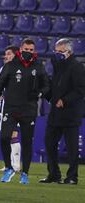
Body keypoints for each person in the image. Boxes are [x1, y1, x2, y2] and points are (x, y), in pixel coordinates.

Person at [0, 38, 49, 184]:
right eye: (26, 49)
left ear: (35, 51)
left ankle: (24, 173)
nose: (28, 52)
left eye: (31, 50)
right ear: (21, 50)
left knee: (27, 142)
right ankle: (9, 168)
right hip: (11, 108)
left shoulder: (38, 67)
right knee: (4, 138)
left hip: (29, 110)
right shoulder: (11, 66)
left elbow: (46, 86)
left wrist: (39, 94)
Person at [39, 38, 85, 185]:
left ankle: (72, 177)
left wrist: (64, 100)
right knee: (49, 142)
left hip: (70, 113)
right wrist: (47, 94)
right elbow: (55, 85)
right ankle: (54, 174)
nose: (57, 54)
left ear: (69, 52)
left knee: (71, 147)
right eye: (56, 51)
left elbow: (80, 90)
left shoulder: (77, 67)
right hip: (56, 113)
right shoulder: (58, 65)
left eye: (60, 52)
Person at [0, 45, 21, 173]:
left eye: (9, 54)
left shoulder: (21, 69)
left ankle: (15, 165)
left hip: (16, 106)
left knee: (13, 134)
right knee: (6, 136)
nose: (6, 56)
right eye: (5, 54)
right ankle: (9, 164)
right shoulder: (3, 69)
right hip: (4, 106)